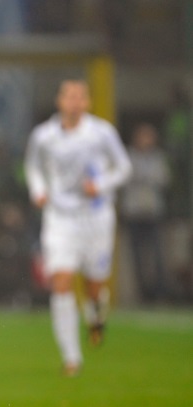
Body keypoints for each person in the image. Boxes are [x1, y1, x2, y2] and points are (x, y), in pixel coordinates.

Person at [25, 79, 132, 377]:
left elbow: (124, 167)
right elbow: (33, 167)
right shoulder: (44, 136)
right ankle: (71, 358)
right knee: (61, 281)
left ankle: (96, 316)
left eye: (80, 97)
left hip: (96, 217)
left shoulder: (101, 133)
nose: (74, 102)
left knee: (94, 286)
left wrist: (101, 185)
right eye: (69, 97)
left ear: (87, 102)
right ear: (59, 101)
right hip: (60, 217)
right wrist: (38, 190)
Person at [121, 123, 172, 303]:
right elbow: (124, 178)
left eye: (149, 137)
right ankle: (143, 295)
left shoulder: (158, 157)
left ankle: (159, 293)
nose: (146, 140)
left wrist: (144, 177)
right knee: (137, 257)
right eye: (143, 136)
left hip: (152, 212)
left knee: (157, 255)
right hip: (134, 213)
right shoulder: (128, 156)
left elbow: (164, 179)